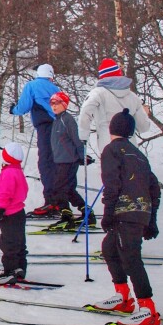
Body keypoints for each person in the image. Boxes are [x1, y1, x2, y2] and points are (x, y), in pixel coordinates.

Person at [90, 109, 162, 325]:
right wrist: (151, 219)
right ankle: (123, 297)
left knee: (130, 257)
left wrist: (108, 213)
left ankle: (148, 309)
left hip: (125, 211)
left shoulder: (112, 150)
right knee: (110, 249)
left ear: (112, 129)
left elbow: (112, 184)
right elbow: (154, 188)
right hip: (140, 212)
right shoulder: (138, 154)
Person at [9, 63, 60, 216]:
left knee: (45, 162)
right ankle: (60, 201)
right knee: (56, 162)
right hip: (58, 126)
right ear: (50, 76)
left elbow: (24, 106)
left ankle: (51, 202)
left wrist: (14, 109)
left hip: (44, 127)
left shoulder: (32, 85)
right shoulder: (55, 89)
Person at [78, 58, 152, 155]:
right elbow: (144, 127)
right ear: (118, 74)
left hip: (108, 145)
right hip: (130, 146)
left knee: (111, 169)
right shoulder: (132, 96)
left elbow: (85, 112)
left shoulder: (98, 93)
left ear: (102, 76)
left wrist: (83, 135)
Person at [49, 92, 94, 227]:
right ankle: (87, 213)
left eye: (56, 103)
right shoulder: (57, 120)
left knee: (58, 188)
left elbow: (77, 139)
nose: (53, 107)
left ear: (64, 104)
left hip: (68, 160)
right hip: (60, 160)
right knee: (68, 189)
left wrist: (82, 156)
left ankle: (66, 215)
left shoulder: (67, 119)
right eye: (51, 104)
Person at [0, 142, 29, 284]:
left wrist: (1, 208)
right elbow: (24, 190)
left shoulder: (8, 173)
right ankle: (19, 267)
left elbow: (5, 193)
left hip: (8, 213)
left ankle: (10, 271)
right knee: (19, 241)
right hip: (18, 212)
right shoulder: (17, 171)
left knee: (8, 242)